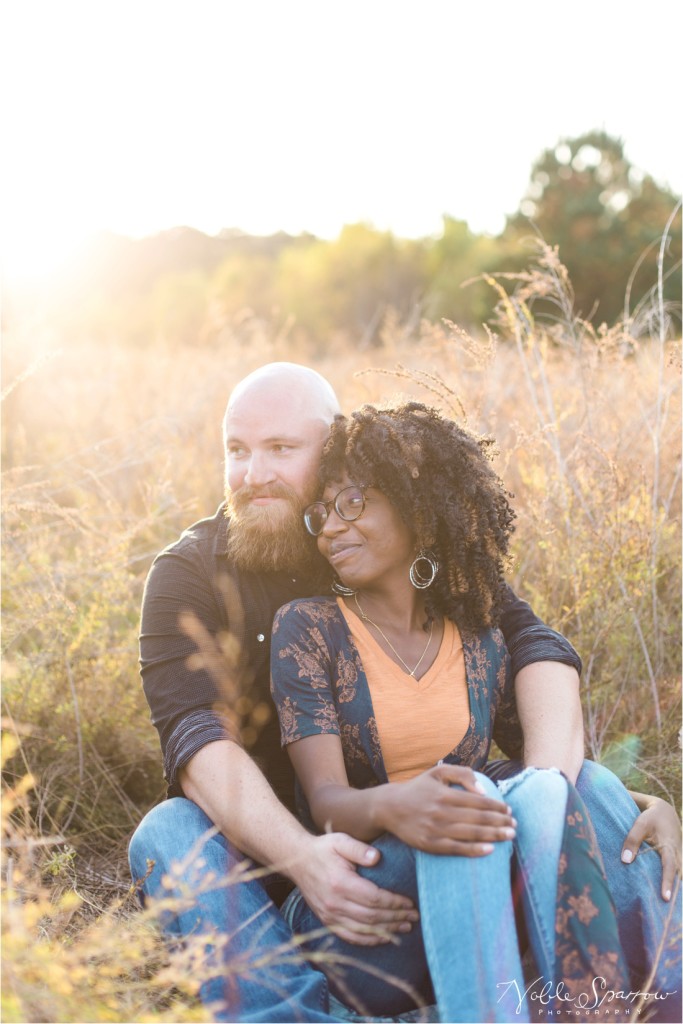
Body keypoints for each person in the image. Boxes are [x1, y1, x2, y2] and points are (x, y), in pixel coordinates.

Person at [128, 362, 680, 1023]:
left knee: (584, 793)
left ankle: (639, 1001)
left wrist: (568, 799)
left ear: (333, 448)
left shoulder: (397, 547)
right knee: (167, 831)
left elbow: (536, 648)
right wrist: (304, 858)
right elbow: (198, 743)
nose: (252, 474)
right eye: (236, 450)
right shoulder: (189, 574)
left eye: (280, 449)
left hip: (416, 852)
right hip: (276, 879)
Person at [269, 401, 680, 1021]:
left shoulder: (481, 633)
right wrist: (399, 805)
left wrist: (651, 804)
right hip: (364, 912)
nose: (329, 527)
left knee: (585, 785)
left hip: (479, 891)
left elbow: (546, 783)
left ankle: (645, 1001)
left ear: (419, 509)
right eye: (320, 512)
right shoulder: (308, 627)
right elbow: (326, 804)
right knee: (468, 807)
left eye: (353, 503)